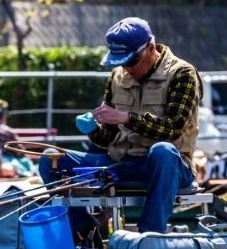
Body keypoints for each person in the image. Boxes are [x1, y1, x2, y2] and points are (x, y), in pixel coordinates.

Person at [39, 17, 201, 235]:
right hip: (120, 162)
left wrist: (126, 118)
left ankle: (150, 235)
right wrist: (94, 129)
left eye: (132, 61)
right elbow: (107, 139)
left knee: (163, 151)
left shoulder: (182, 74)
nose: (127, 68)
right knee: (50, 159)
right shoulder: (117, 76)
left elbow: (174, 128)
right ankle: (84, 231)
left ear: (151, 48)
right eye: (121, 62)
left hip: (168, 165)